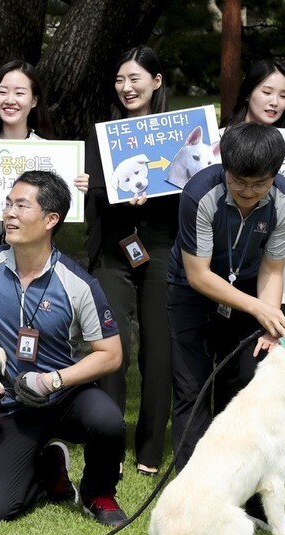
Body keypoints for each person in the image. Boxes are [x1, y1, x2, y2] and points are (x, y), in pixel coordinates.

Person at [0, 170, 128, 527]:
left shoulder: (78, 283)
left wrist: (54, 381)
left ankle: (98, 494)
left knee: (108, 420)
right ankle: (49, 468)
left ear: (50, 220)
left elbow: (111, 354)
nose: (9, 214)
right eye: (8, 204)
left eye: (21, 206)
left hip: (65, 397)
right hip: (11, 405)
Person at [167, 122, 285, 535]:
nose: (247, 192)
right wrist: (259, 308)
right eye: (239, 182)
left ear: (275, 176)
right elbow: (199, 276)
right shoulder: (199, 194)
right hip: (193, 291)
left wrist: (269, 323)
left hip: (248, 291)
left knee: (243, 392)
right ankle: (191, 503)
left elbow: (273, 269)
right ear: (224, 167)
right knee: (191, 391)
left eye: (258, 185)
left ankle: (251, 501)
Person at [84, 45, 178, 477]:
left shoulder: (178, 135)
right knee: (111, 348)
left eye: (136, 79)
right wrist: (96, 189)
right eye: (120, 80)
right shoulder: (102, 135)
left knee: (159, 350)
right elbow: (93, 198)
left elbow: (194, 190)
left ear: (156, 81)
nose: (127, 88)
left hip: (163, 248)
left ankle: (150, 451)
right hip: (114, 250)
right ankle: (108, 447)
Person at [0, 60, 88, 254]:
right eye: (3, 91)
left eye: (20, 93)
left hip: (33, 249)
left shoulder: (48, 152)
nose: (10, 100)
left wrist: (75, 190)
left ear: (34, 100)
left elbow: (57, 217)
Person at [223, 59, 285, 325]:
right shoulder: (217, 141)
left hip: (279, 279)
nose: (275, 102)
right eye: (267, 92)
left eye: (283, 95)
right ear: (248, 92)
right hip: (224, 276)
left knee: (270, 361)